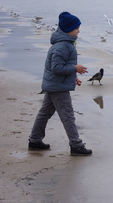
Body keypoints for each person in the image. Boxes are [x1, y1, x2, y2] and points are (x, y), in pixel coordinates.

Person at [28, 11, 92, 156]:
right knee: (68, 116)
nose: (79, 31)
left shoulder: (66, 43)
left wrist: (73, 76)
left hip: (55, 84)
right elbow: (56, 68)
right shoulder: (63, 46)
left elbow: (61, 67)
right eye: (76, 28)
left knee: (45, 113)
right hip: (58, 87)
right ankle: (76, 145)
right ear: (68, 29)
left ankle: (35, 140)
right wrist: (75, 68)